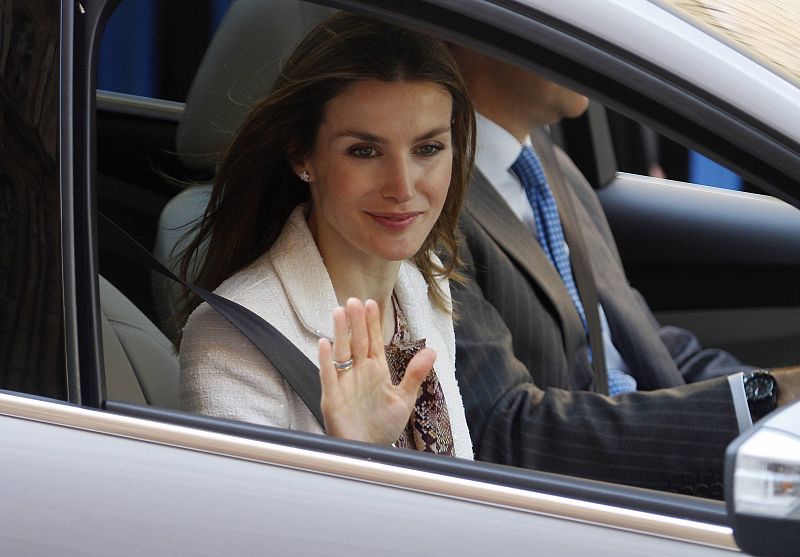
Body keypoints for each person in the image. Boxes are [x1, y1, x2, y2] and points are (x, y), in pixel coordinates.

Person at [447, 46, 800, 494]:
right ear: (485, 36)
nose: (588, 43)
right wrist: (763, 400)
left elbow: (644, 343)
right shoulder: (427, 209)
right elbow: (508, 430)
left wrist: (776, 398)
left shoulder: (546, 166)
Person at [177, 13, 475, 459]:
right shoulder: (232, 337)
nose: (403, 186)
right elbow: (252, 527)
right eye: (364, 151)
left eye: (428, 149)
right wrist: (356, 455)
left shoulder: (424, 287)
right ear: (302, 156)